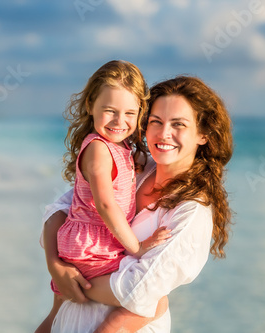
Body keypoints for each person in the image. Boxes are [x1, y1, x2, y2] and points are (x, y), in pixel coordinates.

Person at [40, 75, 234, 332]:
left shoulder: (191, 211)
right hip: (70, 320)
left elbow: (140, 290)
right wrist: (55, 266)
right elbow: (61, 210)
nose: (164, 133)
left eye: (179, 124)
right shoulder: (135, 167)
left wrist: (74, 285)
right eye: (156, 121)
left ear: (203, 134)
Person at [36, 60, 171, 332]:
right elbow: (106, 204)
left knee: (55, 315)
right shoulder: (98, 150)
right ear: (90, 106)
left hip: (87, 246)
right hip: (91, 248)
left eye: (130, 113)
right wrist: (138, 247)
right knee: (154, 300)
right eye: (110, 111)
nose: (120, 122)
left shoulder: (120, 148)